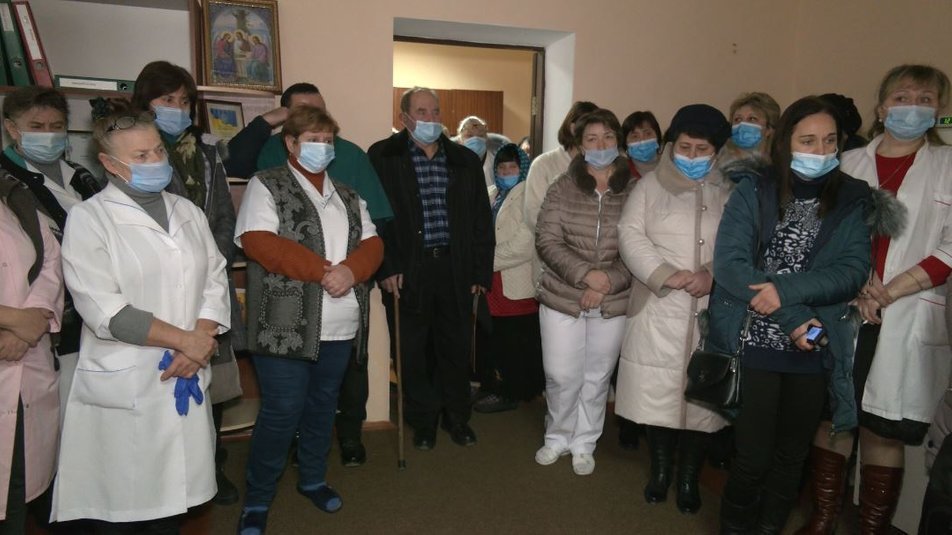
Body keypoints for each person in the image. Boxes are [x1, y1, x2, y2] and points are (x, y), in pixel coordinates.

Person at [711, 96, 887, 533]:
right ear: (785, 142)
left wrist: (783, 291)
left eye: (829, 141)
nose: (820, 151)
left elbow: (851, 271)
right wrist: (791, 317)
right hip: (754, 342)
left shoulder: (852, 197)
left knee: (792, 458)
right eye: (808, 141)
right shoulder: (754, 189)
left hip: (815, 346)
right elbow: (730, 265)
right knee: (752, 458)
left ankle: (770, 528)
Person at [51, 109, 229, 532]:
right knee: (122, 510)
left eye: (158, 151)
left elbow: (215, 277)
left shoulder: (188, 211)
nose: (155, 161)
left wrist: (200, 338)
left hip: (187, 368)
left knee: (173, 507)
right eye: (141, 156)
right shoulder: (90, 219)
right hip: (128, 378)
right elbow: (106, 310)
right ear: (109, 163)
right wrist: (187, 342)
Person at [798, 64, 952, 535]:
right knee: (831, 419)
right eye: (902, 97)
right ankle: (824, 519)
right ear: (882, 108)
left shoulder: (948, 165)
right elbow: (819, 232)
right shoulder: (846, 162)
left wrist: (891, 289)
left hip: (908, 309)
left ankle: (871, 529)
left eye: (925, 99)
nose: (912, 107)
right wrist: (859, 282)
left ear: (939, 111)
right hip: (844, 304)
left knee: (883, 429)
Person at [225, 82, 392, 467]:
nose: (322, 146)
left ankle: (314, 478)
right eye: (313, 139)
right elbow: (258, 242)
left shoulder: (348, 193)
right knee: (282, 411)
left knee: (323, 406)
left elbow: (373, 243)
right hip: (285, 325)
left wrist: (351, 271)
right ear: (291, 143)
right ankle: (261, 493)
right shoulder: (266, 183)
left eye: (328, 140)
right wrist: (325, 272)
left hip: (340, 324)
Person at [130, 59, 243, 506]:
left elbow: (224, 216)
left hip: (210, 284)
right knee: (165, 383)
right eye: (167, 100)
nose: (177, 108)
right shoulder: (136, 153)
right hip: (161, 290)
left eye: (184, 101)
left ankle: (210, 467)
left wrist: (211, 263)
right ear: (146, 104)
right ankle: (164, 476)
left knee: (213, 387)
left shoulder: (208, 151)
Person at [616, 103, 733, 513]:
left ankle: (688, 479)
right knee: (658, 397)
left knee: (701, 402)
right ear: (671, 145)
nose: (693, 155)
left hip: (710, 309)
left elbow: (742, 244)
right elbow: (629, 234)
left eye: (703, 149)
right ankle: (661, 471)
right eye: (685, 147)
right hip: (659, 306)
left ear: (716, 151)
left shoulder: (730, 190)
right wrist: (665, 273)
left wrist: (712, 274)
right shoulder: (649, 186)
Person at [369, 87, 493, 451]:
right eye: (422, 112)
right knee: (411, 351)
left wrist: (479, 272)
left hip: (455, 268)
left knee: (455, 347)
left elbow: (481, 220)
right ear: (404, 117)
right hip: (407, 270)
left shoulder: (463, 160)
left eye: (435, 112)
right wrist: (386, 267)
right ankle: (423, 420)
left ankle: (457, 417)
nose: (430, 118)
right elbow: (373, 218)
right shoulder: (382, 156)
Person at [534, 108, 634, 476]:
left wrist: (606, 282)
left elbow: (640, 246)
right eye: (591, 138)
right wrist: (586, 276)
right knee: (561, 374)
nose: (600, 144)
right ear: (579, 145)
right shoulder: (562, 186)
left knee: (597, 377)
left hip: (613, 299)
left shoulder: (634, 190)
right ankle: (557, 436)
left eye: (607, 137)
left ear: (618, 142)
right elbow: (547, 239)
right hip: (563, 295)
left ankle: (584, 442)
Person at [0, 86, 105, 427]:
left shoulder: (83, 176)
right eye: (37, 126)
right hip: (43, 325)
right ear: (12, 128)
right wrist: (22, 324)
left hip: (97, 315)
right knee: (52, 428)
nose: (48, 134)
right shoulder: (6, 183)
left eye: (56, 126)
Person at [0, 173, 62, 533]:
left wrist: (32, 321)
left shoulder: (14, 198)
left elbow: (51, 262)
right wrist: (12, 322)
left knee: (15, 492)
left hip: (25, 366)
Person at [472, 142, 543, 414]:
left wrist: (483, 262)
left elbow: (524, 245)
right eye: (501, 168)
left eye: (512, 167)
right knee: (494, 338)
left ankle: (513, 391)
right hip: (491, 282)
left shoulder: (530, 195)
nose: (506, 172)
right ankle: (494, 385)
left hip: (514, 279)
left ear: (522, 168)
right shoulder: (491, 193)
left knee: (516, 340)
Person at [524, 100, 599, 283]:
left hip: (596, 264)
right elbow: (534, 216)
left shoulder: (603, 165)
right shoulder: (544, 164)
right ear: (572, 128)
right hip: (554, 264)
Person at [718, 92, 781, 167]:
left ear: (769, 129)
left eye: (752, 119)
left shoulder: (781, 168)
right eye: (738, 119)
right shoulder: (720, 165)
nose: (742, 124)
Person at [453, 115, 512, 187]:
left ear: (486, 138)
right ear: (460, 140)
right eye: (470, 136)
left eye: (480, 136)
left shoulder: (496, 162)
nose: (475, 139)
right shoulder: (453, 162)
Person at [621, 110, 663, 178]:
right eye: (635, 136)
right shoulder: (621, 173)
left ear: (658, 137)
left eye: (648, 134)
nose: (642, 140)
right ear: (625, 143)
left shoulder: (671, 166)